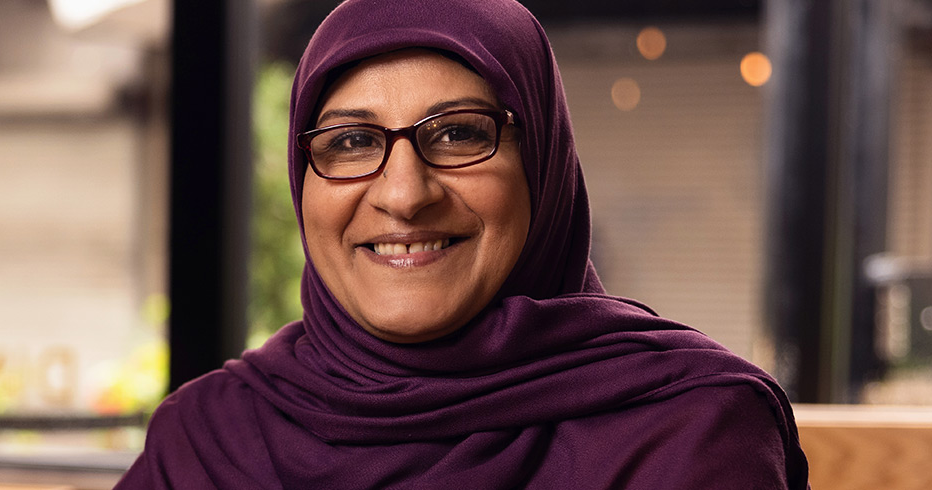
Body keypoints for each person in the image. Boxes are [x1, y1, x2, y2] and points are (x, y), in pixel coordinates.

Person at [116, 0, 809, 488]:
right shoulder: (209, 436)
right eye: (352, 142)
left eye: (459, 134)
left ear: (542, 165)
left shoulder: (688, 427)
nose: (404, 194)